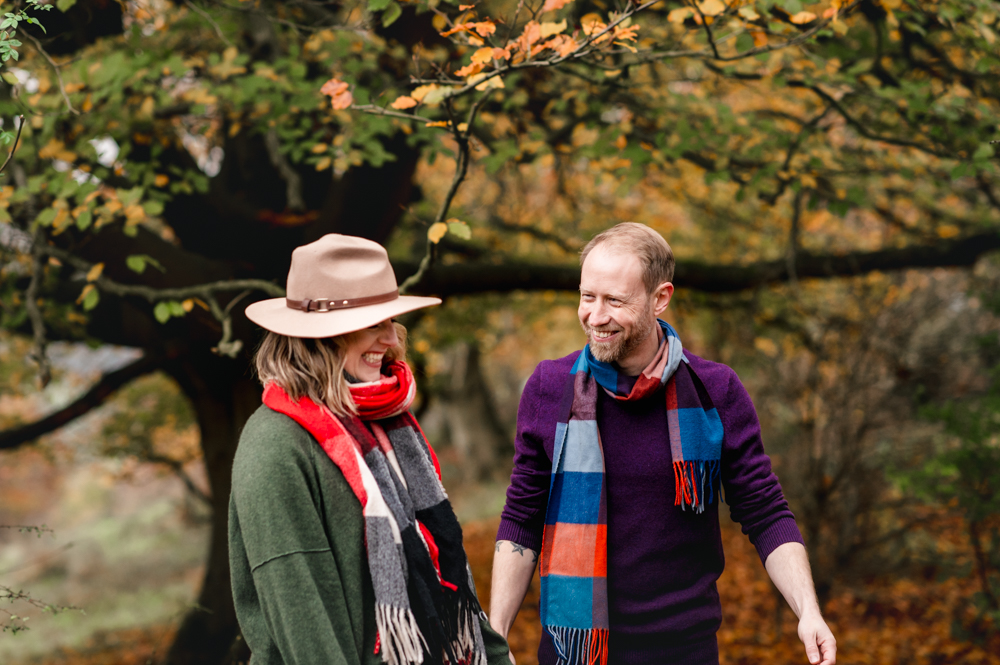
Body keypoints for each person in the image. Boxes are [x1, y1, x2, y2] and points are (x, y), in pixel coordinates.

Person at [488, 223, 836, 665]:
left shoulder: (716, 391)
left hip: (684, 650)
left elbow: (765, 511)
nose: (595, 316)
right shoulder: (548, 388)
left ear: (660, 298)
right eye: (587, 296)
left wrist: (808, 612)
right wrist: (495, 634)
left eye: (615, 301)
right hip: (572, 651)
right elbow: (522, 516)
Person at [229, 234, 510, 665]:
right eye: (373, 324)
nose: (391, 339)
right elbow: (306, 627)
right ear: (323, 336)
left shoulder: (386, 423)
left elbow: (450, 586)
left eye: (390, 321)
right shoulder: (274, 446)